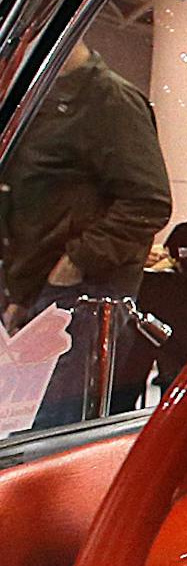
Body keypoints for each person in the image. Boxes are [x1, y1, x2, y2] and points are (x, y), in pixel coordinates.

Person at [0, 41, 171, 427]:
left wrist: (76, 262)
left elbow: (148, 201)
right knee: (27, 429)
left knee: (54, 431)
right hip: (42, 296)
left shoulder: (108, 100)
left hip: (79, 300)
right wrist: (23, 293)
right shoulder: (43, 99)